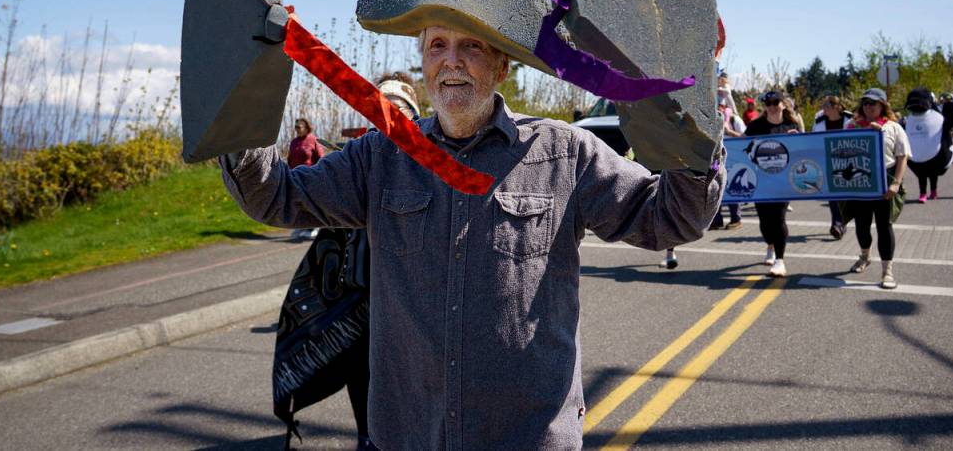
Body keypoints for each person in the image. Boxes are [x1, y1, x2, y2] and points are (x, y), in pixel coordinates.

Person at [220, 25, 725, 450]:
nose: (452, 61)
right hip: (407, 436)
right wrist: (246, 87)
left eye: (472, 46)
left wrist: (692, 129)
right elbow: (275, 197)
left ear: (502, 66)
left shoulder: (565, 153)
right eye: (437, 46)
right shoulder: (380, 156)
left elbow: (670, 219)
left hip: (529, 439)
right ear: (424, 64)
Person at [272, 76, 422, 449]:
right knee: (361, 369)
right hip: (359, 296)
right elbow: (307, 201)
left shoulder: (433, 164)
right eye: (380, 107)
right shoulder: (358, 160)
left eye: (397, 108)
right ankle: (368, 436)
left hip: (414, 301)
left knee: (414, 377)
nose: (388, 115)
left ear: (413, 114)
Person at [843, 88, 910, 290]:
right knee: (861, 226)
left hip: (884, 181)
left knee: (884, 226)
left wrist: (896, 183)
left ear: (882, 105)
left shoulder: (893, 127)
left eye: (873, 103)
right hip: (860, 182)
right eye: (865, 103)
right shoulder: (852, 126)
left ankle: (887, 270)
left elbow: (902, 157)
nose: (868, 106)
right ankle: (865, 256)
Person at [744, 90, 800, 277]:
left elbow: (800, 151)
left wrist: (796, 139)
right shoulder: (755, 126)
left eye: (776, 102)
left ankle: (780, 260)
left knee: (779, 219)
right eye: (768, 103)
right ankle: (770, 245)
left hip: (783, 182)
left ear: (783, 104)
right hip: (760, 181)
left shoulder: (791, 125)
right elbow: (742, 146)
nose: (772, 106)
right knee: (765, 222)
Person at [903, 87, 953, 203]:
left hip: (934, 152)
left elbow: (947, 125)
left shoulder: (937, 117)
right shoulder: (909, 119)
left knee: (933, 173)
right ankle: (923, 193)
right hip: (917, 153)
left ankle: (933, 191)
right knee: (921, 174)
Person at [812, 96, 853, 239]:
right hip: (828, 161)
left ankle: (842, 222)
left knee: (845, 195)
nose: (823, 108)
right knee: (833, 193)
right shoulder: (819, 122)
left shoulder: (851, 119)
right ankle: (837, 224)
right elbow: (813, 140)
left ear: (836, 106)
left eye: (826, 105)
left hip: (848, 161)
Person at [709, 96, 745, 231]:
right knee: (716, 187)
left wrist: (729, 132)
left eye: (720, 105)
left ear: (724, 106)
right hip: (716, 160)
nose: (717, 108)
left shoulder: (735, 120)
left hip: (733, 160)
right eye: (715, 105)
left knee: (732, 187)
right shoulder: (710, 119)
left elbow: (745, 138)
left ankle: (736, 219)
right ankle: (716, 219)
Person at [288, 119, 326, 239]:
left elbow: (321, 159)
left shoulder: (313, 140)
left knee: (311, 203)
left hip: (310, 177)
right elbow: (290, 159)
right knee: (299, 203)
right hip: (295, 177)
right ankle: (302, 227)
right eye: (296, 127)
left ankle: (315, 227)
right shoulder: (294, 142)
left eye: (299, 127)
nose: (297, 129)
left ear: (306, 128)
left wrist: (319, 176)